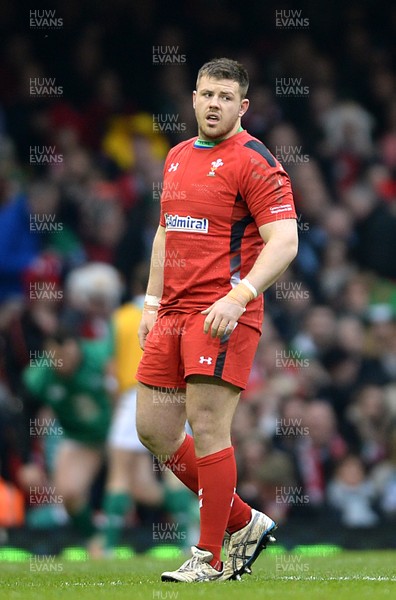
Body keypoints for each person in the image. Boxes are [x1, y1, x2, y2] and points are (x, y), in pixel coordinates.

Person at [136, 58, 298, 582]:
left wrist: (240, 295)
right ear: (193, 97)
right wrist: (151, 303)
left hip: (222, 314)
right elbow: (165, 233)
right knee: (153, 429)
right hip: (173, 315)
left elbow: (286, 240)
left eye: (225, 97)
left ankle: (208, 557)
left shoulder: (255, 160)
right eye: (206, 94)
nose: (213, 104)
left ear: (242, 106)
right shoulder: (178, 155)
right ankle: (244, 522)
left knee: (208, 429)